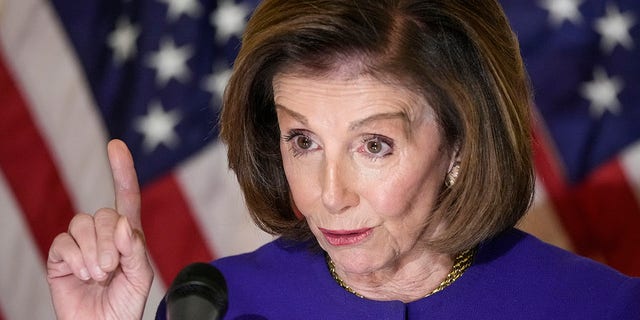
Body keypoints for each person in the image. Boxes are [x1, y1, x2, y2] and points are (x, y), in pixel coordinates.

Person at [47, 0, 640, 319]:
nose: (330, 195)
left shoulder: (602, 310)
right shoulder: (219, 307)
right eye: (302, 141)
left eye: (373, 144)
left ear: (462, 144)